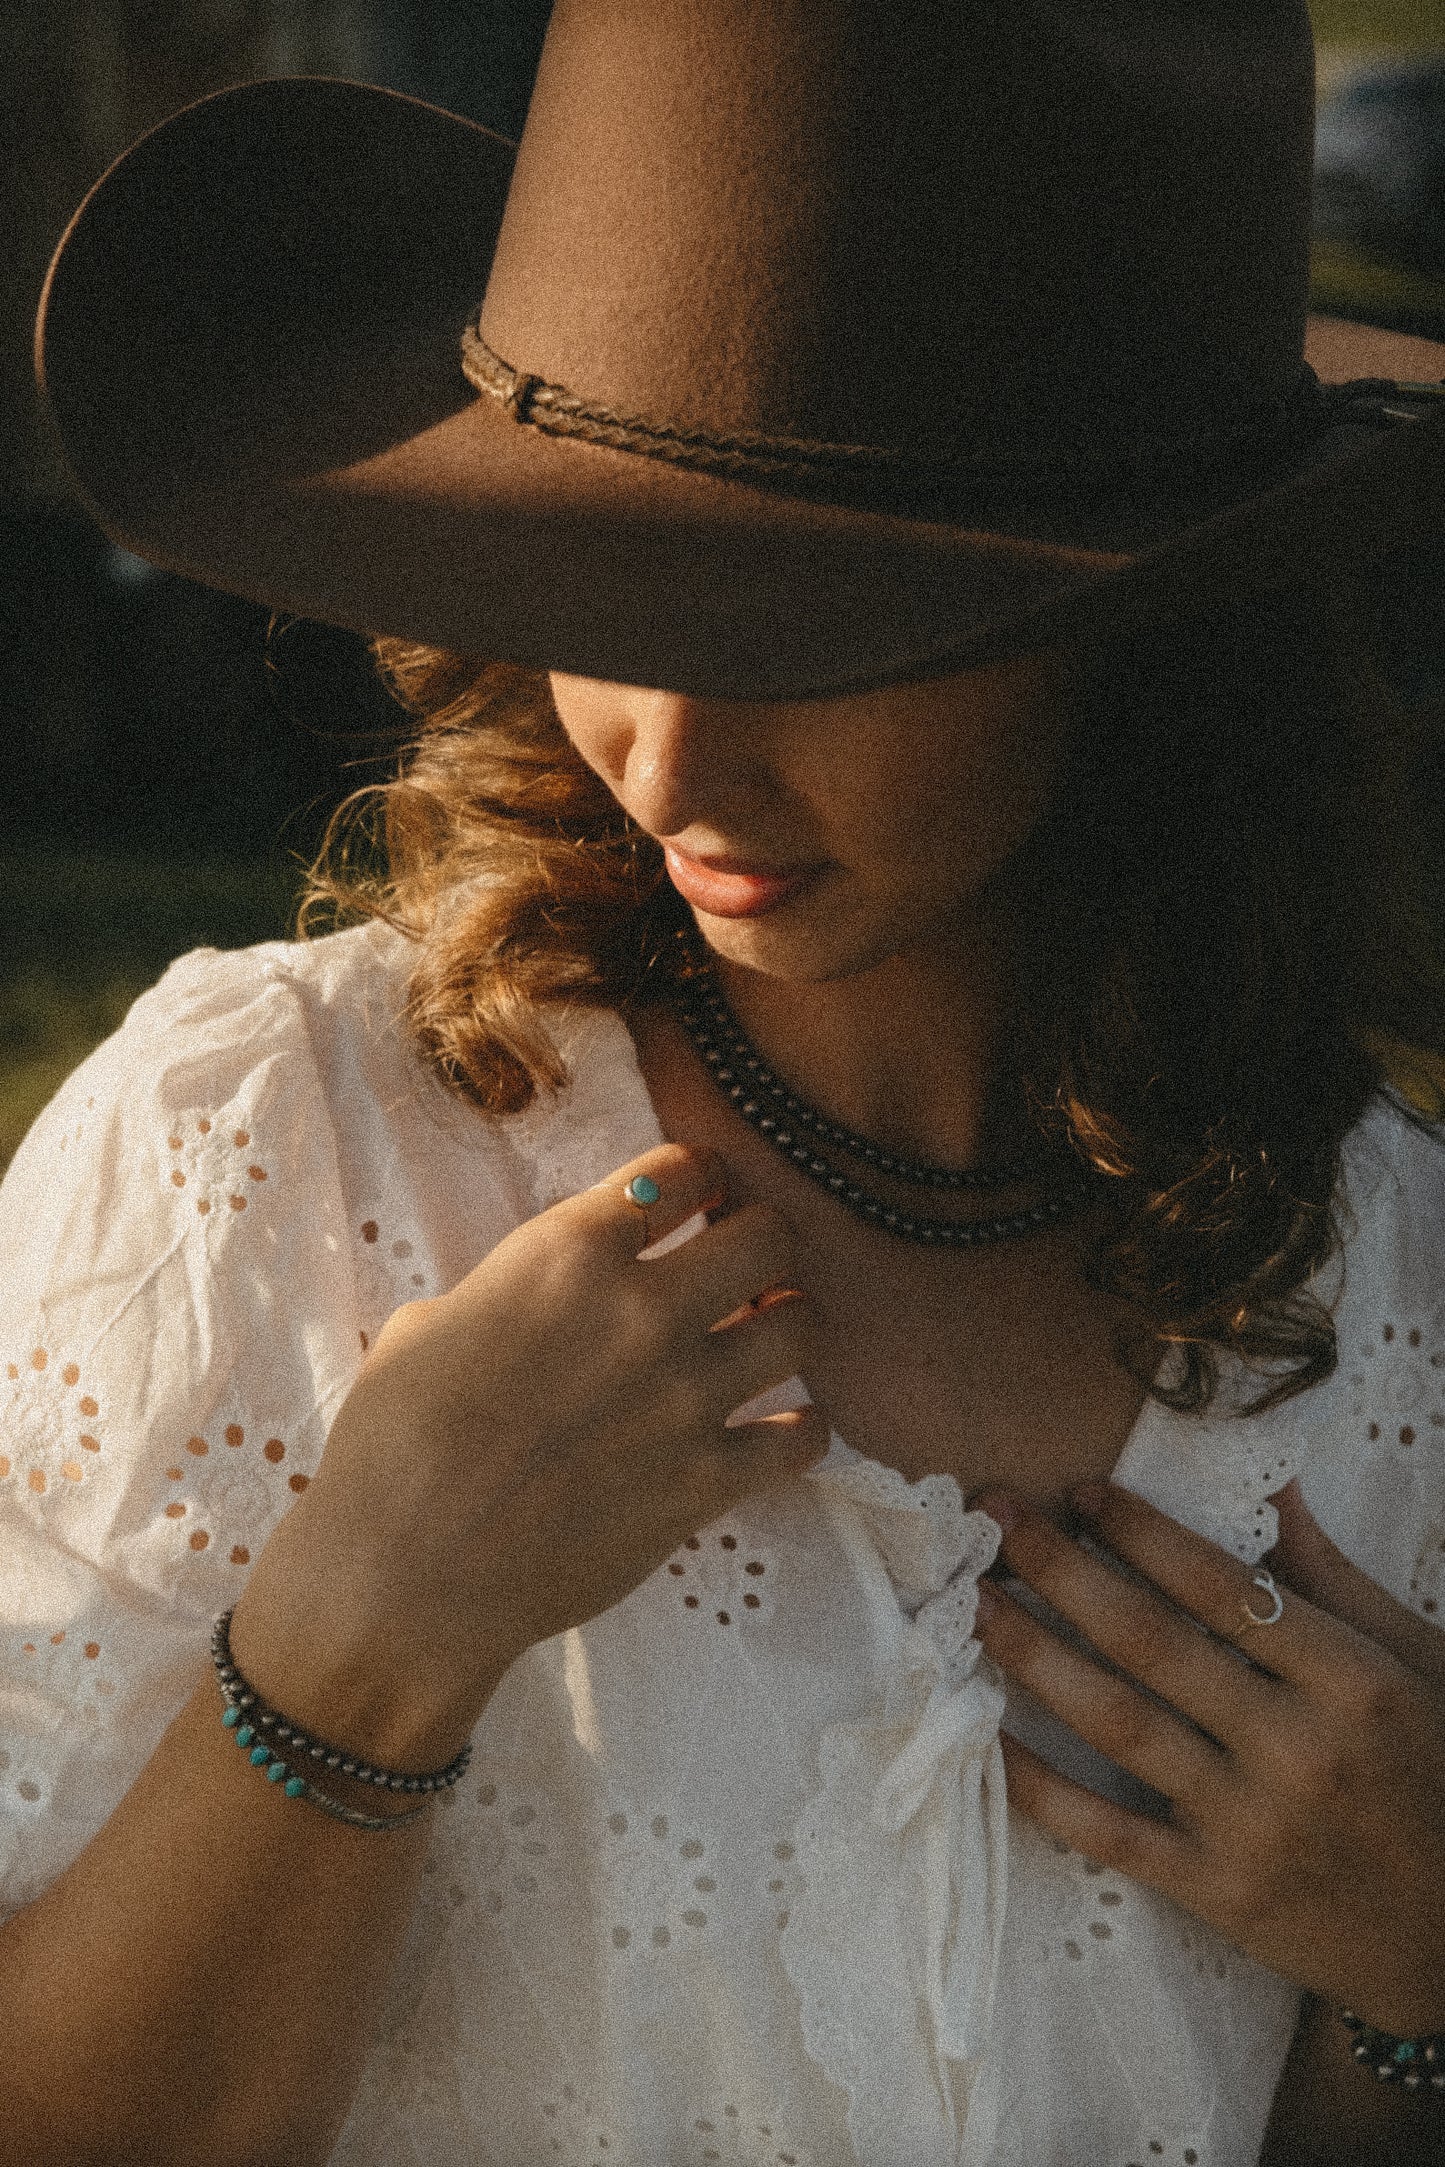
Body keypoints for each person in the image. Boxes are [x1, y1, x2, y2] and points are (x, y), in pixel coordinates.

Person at [6, 5, 1445, 2163]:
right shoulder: (270, 1157)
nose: (670, 758)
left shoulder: (1402, 1300)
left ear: (1141, 624)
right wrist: (362, 1630)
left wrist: (1425, 1980)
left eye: (808, 630)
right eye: (607, 580)